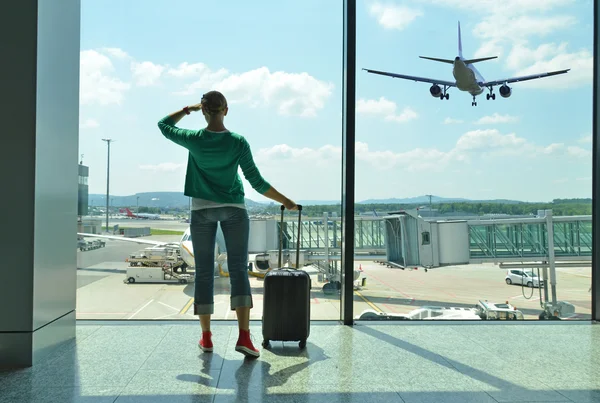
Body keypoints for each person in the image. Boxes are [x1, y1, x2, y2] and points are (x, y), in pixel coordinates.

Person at [157, 91, 297, 358]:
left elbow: (164, 125)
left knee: (204, 274)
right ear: (226, 110)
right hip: (234, 209)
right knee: (238, 271)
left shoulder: (194, 139)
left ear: (204, 110)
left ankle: (207, 338)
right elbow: (257, 182)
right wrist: (286, 200)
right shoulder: (237, 142)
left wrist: (187, 109)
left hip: (201, 211)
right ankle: (244, 337)